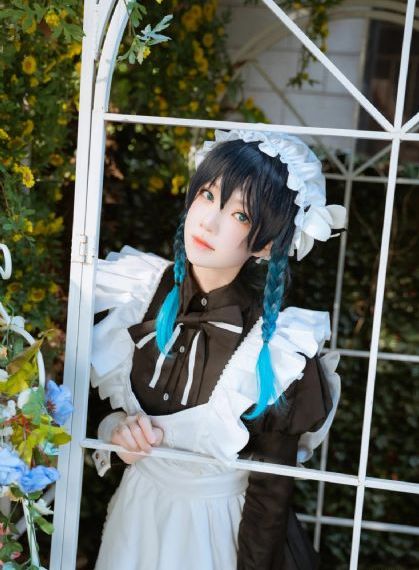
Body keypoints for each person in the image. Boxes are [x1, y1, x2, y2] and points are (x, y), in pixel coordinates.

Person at [90, 129, 345, 570]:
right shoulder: (138, 292)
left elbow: (269, 497)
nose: (209, 221)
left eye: (240, 215)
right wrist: (115, 432)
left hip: (217, 539)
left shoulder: (278, 349)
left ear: (267, 243)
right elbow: (83, 407)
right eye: (207, 195)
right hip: (134, 524)